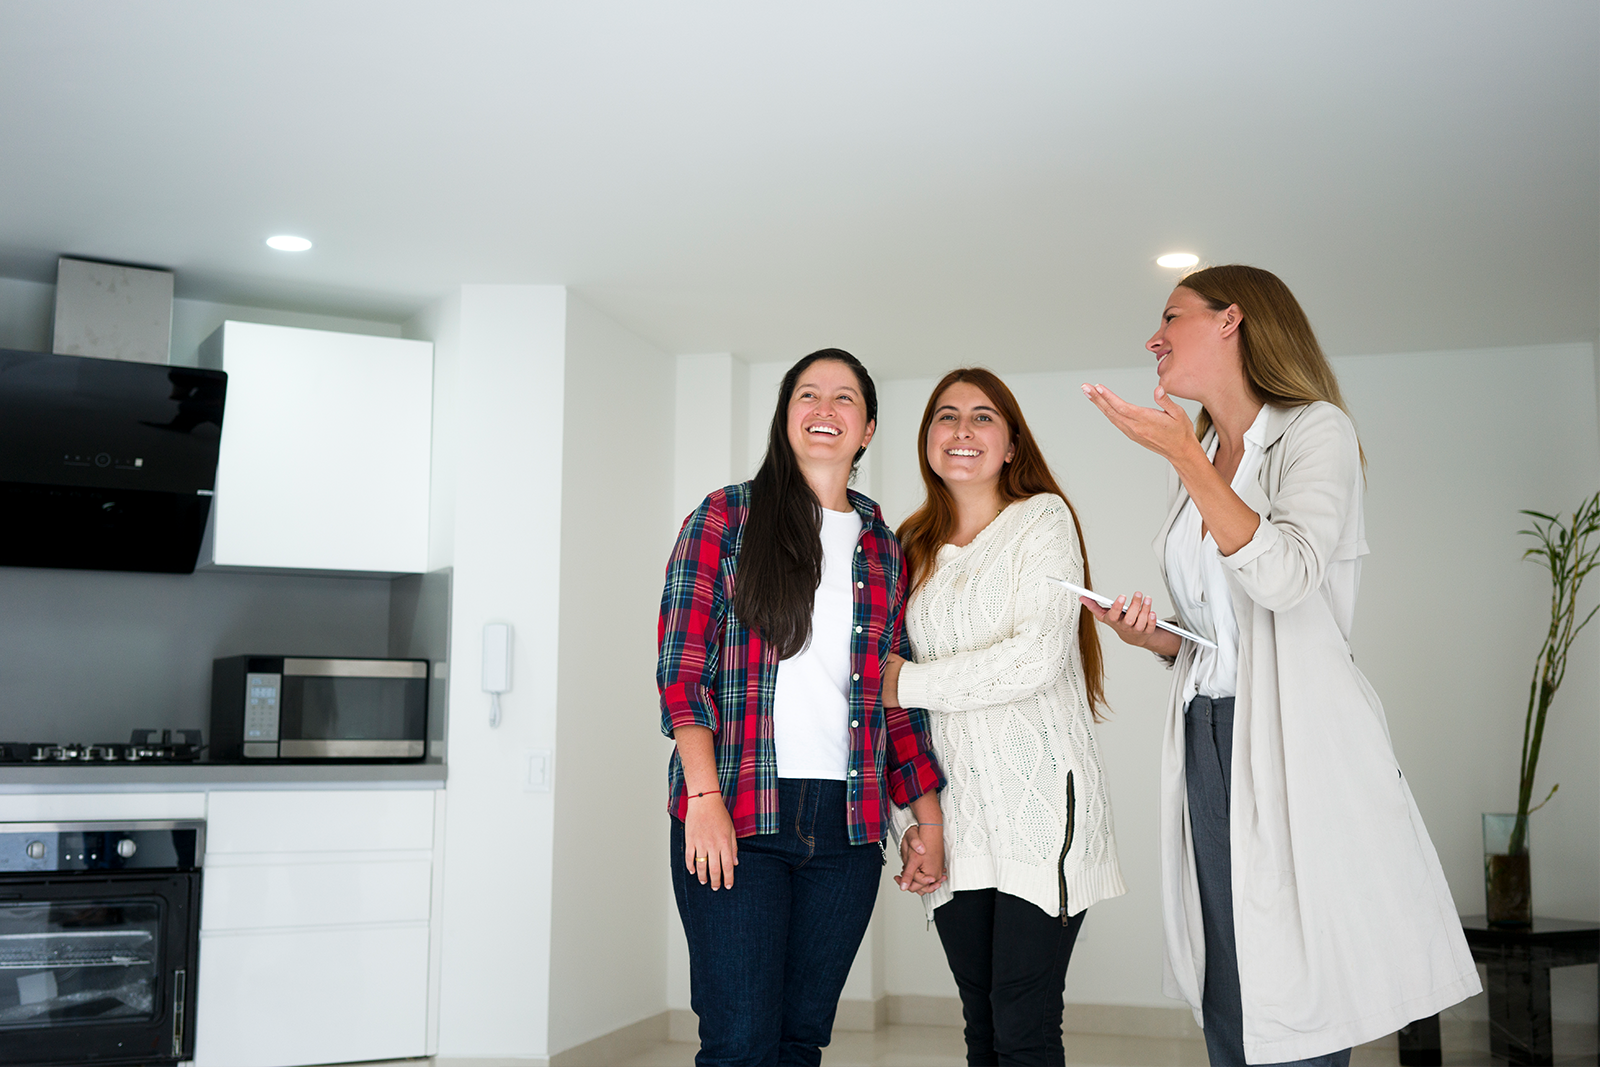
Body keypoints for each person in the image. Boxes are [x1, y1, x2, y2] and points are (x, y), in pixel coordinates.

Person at [1080, 265, 1479, 1067]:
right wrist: (1155, 636)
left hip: (1296, 738)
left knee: (1291, 972)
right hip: (1207, 726)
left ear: (1232, 321)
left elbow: (1288, 576)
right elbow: (1222, 630)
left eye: (1170, 317)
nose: (1152, 339)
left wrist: (1188, 461)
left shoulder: (1314, 431)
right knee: (1230, 962)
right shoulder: (1198, 452)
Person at [658, 347, 947, 1067]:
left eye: (843, 398)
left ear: (869, 428)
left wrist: (929, 819)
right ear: (786, 418)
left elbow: (896, 696)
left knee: (799, 1042)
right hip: (738, 810)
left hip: (848, 828)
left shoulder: (886, 548)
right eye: (807, 396)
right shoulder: (726, 517)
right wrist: (702, 795)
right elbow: (681, 667)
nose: (825, 410)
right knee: (739, 1043)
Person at [880, 368, 1126, 1067]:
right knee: (982, 1026)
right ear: (927, 439)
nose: (962, 430)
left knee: (1023, 1025)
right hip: (956, 820)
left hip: (1041, 808)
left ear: (1012, 443)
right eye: (946, 416)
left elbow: (1035, 659)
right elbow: (893, 715)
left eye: (983, 417)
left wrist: (910, 682)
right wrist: (915, 822)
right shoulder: (908, 547)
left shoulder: (1042, 520)